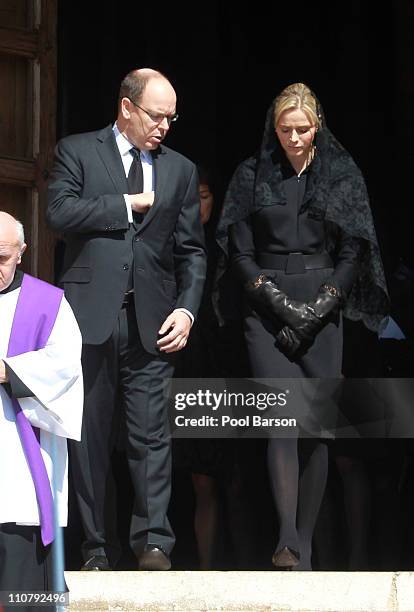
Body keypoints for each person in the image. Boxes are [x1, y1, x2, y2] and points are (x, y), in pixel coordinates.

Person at [216, 83, 389, 570]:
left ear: (318, 127)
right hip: (265, 308)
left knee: (316, 428)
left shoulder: (340, 174)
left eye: (303, 129)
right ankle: (286, 540)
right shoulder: (251, 175)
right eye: (285, 129)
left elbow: (355, 248)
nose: (293, 137)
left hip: (324, 305)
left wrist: (320, 306)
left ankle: (306, 546)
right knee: (280, 420)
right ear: (273, 128)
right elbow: (239, 253)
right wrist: (279, 305)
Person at [46, 68, 206, 571]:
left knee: (151, 434)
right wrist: (124, 204)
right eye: (156, 116)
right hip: (90, 317)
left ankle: (153, 541)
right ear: (126, 109)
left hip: (153, 320)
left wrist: (186, 307)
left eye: (171, 118)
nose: (164, 126)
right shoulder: (77, 151)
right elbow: (58, 213)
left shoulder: (180, 169)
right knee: (89, 436)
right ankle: (96, 546)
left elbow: (192, 252)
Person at [0, 211, 83, 597]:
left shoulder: (46, 302)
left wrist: (9, 372)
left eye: (1, 257)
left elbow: (66, 364)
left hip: (19, 456)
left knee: (19, 585)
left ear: (22, 253)